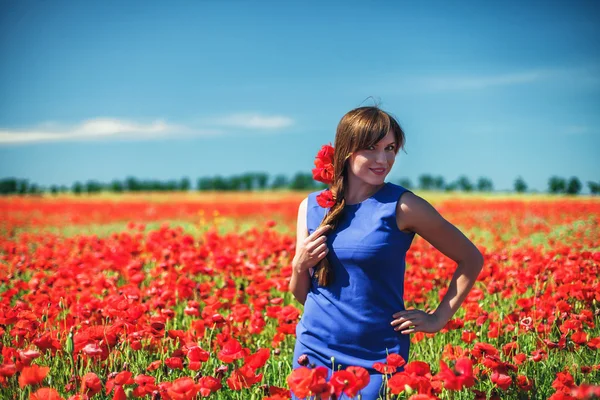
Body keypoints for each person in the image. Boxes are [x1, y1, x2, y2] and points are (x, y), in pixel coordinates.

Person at [288, 106, 484, 399]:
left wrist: (437, 318)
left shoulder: (403, 206)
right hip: (314, 351)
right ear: (346, 150)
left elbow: (471, 258)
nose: (383, 159)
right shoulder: (311, 207)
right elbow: (302, 294)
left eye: (390, 148)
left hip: (378, 357)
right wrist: (298, 265)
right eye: (371, 148)